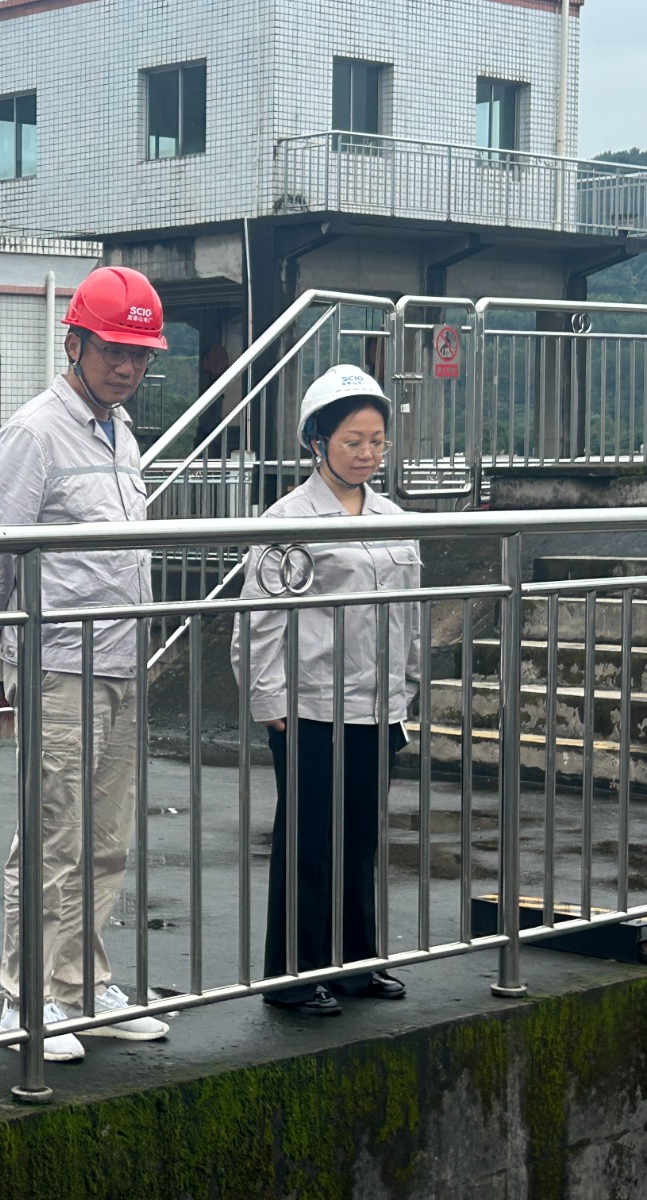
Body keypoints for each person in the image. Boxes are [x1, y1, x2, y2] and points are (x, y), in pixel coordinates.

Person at [0, 266, 172, 1064]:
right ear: (74, 343)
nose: (127, 366)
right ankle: (26, 999)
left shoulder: (121, 432)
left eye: (140, 354)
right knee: (53, 834)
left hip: (122, 658)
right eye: (114, 350)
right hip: (60, 661)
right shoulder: (34, 433)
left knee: (106, 835)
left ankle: (84, 986)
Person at [232, 364, 421, 1017]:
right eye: (352, 441)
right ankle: (292, 975)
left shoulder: (394, 518)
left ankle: (354, 964)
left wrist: (407, 687)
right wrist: (269, 700)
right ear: (318, 443)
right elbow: (259, 619)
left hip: (377, 706)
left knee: (360, 838)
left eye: (377, 441)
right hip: (309, 705)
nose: (367, 453)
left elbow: (410, 613)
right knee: (308, 839)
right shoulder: (288, 519)